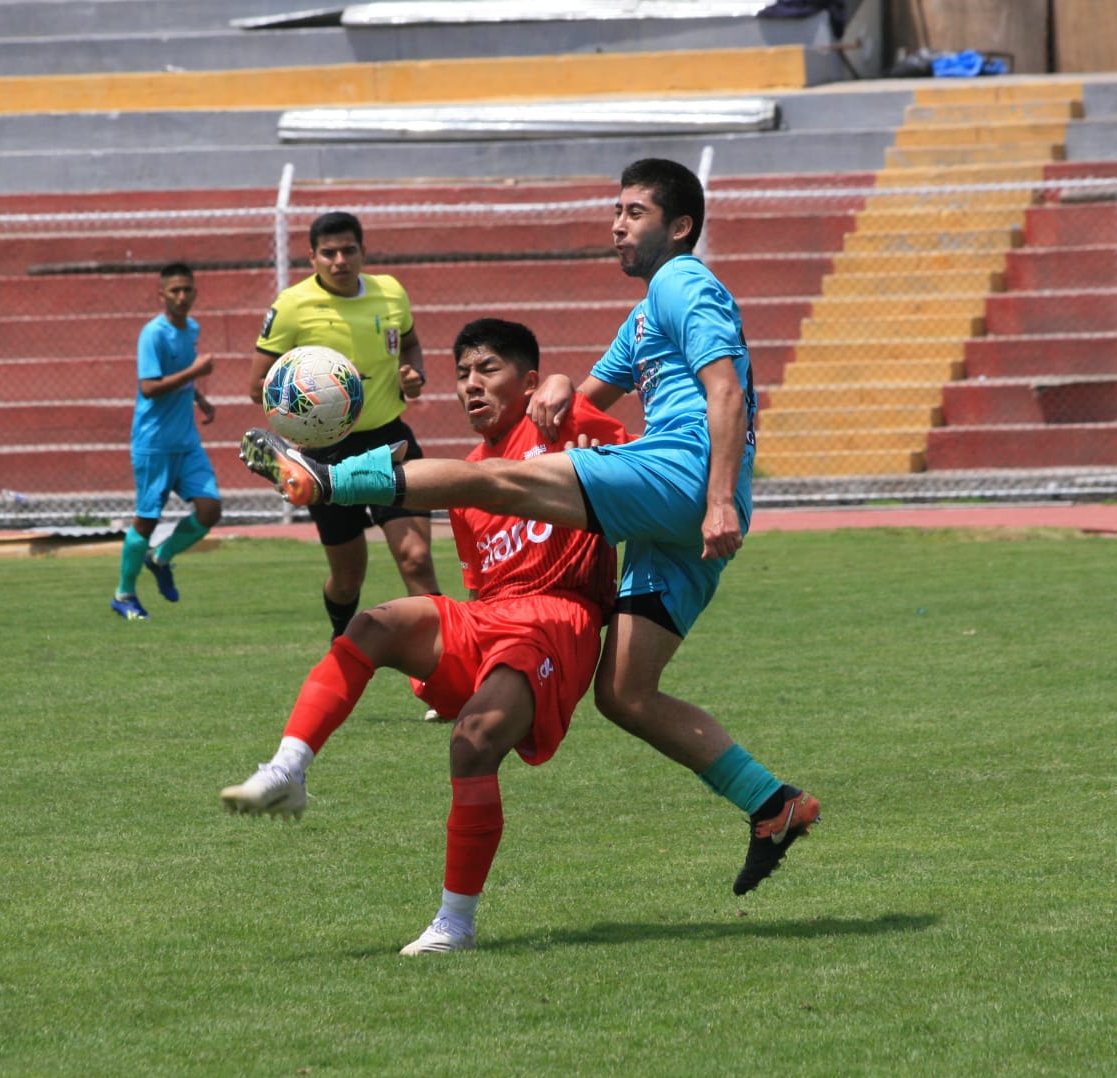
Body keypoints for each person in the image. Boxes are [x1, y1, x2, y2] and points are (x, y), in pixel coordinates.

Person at [239, 159, 821, 896]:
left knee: (498, 481)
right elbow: (576, 397)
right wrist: (552, 382)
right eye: (615, 210)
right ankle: (774, 804)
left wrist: (718, 500)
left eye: (634, 212)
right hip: (676, 518)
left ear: (678, 227)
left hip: (683, 474)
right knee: (626, 693)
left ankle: (325, 478)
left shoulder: (682, 281)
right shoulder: (644, 316)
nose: (616, 223)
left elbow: (725, 389)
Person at [223, 318, 629, 954]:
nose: (470, 384)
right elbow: (481, 592)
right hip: (493, 616)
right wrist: (447, 667)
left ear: (526, 382)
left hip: (558, 616)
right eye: (462, 373)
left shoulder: (562, 422)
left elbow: (638, 456)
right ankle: (287, 770)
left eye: (487, 370)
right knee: (376, 623)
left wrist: (563, 384)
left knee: (472, 746)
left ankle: (454, 924)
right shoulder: (465, 475)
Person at [249, 210, 440, 643]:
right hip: (325, 457)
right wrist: (306, 396)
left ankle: (443, 670)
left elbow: (409, 344)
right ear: (312, 257)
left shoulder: (390, 292)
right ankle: (342, 643)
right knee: (348, 576)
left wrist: (413, 374)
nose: (340, 260)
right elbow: (256, 385)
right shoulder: (292, 307)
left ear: (363, 251)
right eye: (328, 252)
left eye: (348, 250)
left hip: (389, 439)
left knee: (415, 558)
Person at [111, 261, 221, 620]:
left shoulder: (191, 328)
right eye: (174, 290)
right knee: (146, 520)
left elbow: (181, 378)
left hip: (186, 441)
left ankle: (160, 557)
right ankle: (124, 594)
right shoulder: (153, 334)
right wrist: (195, 373)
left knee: (210, 509)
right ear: (161, 295)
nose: (182, 296)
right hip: (154, 443)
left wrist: (199, 397)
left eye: (187, 289)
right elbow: (150, 387)